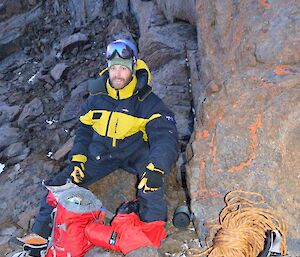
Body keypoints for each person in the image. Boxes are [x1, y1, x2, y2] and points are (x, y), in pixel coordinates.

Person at [11, 38, 178, 249]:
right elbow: (84, 129)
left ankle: (151, 237)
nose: (117, 74)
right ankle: (41, 236)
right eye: (113, 68)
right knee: (60, 183)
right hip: (102, 153)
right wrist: (78, 159)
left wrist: (157, 168)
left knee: (151, 181)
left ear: (134, 67)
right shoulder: (96, 98)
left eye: (123, 69)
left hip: (134, 151)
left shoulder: (147, 101)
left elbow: (165, 135)